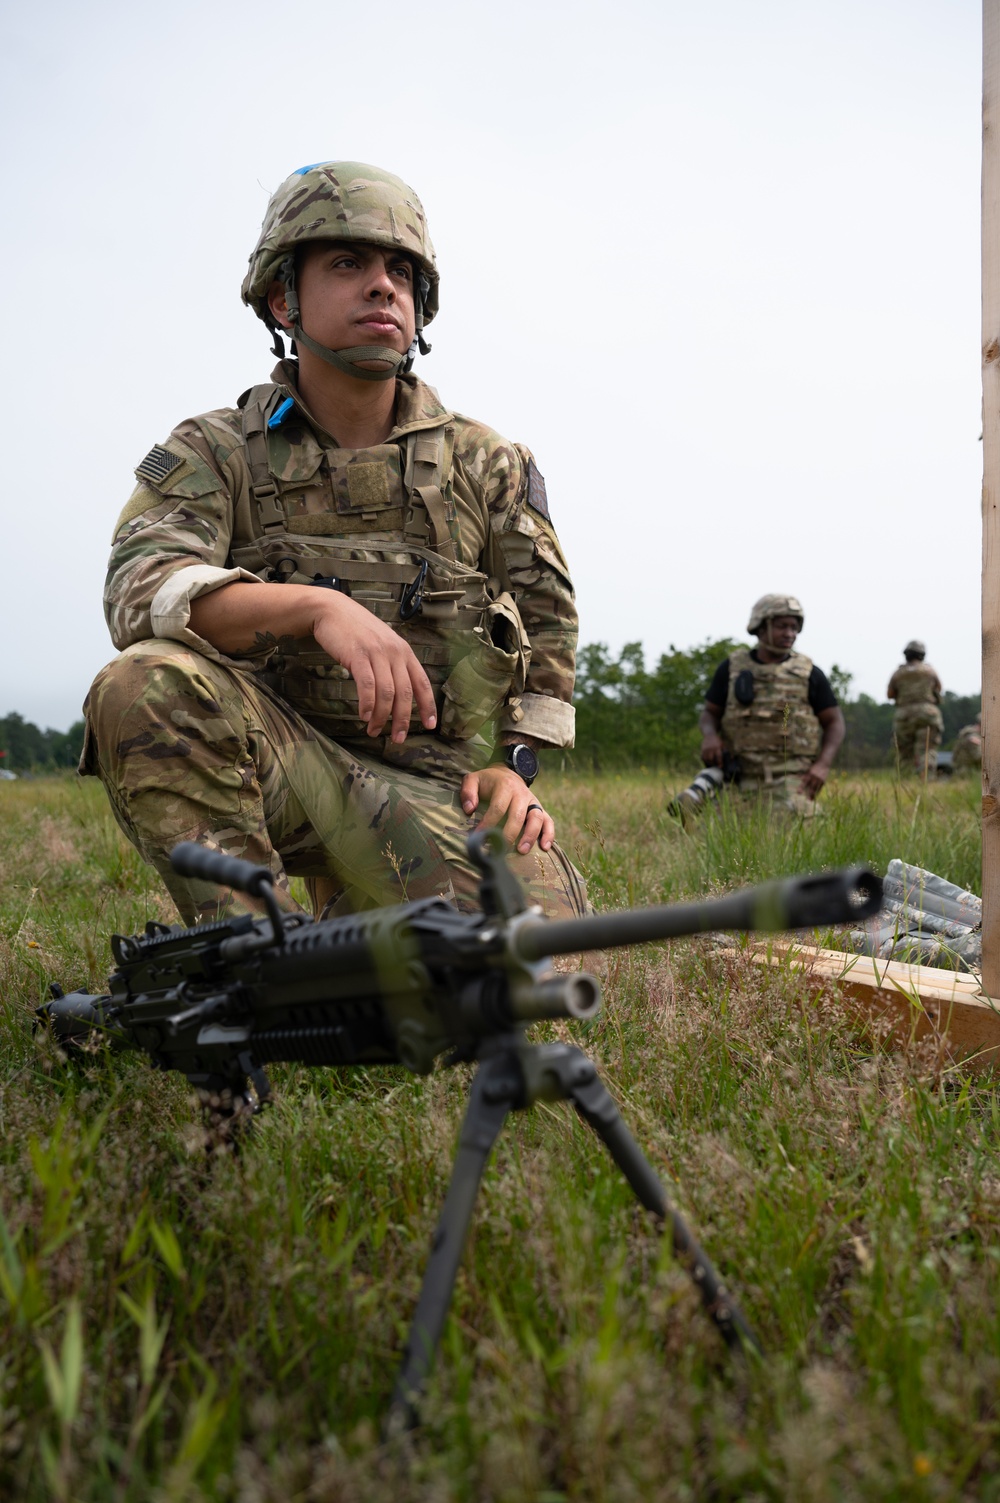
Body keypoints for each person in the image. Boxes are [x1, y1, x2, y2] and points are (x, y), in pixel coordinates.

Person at [81, 161, 587, 926]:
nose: (382, 286)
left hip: (438, 789)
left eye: (401, 272)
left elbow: (549, 625)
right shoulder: (215, 451)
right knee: (142, 680)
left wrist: (513, 766)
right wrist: (313, 608)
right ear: (283, 296)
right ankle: (247, 950)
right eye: (347, 264)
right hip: (279, 765)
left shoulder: (487, 462)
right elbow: (142, 589)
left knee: (531, 970)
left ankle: (352, 916)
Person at [695, 594, 845, 815]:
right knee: (711, 830)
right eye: (782, 626)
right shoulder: (731, 669)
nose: (789, 634)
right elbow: (710, 713)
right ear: (761, 627)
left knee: (798, 826)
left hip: (790, 778)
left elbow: (834, 722)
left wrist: (822, 765)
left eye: (794, 628)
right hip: (737, 776)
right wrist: (710, 736)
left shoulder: (809, 673)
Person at [887, 641, 943, 778]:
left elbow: (890, 694)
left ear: (906, 655)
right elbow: (939, 688)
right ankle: (926, 781)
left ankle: (904, 783)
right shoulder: (929, 671)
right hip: (927, 713)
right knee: (926, 749)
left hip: (904, 715)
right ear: (922, 655)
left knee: (904, 752)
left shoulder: (898, 673)